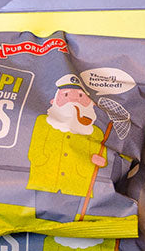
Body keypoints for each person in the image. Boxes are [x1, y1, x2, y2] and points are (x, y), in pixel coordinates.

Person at [27, 75, 107, 216]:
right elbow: (35, 148)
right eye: (66, 95)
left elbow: (101, 157)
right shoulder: (43, 122)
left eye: (80, 96)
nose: (74, 100)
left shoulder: (96, 133)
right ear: (54, 100)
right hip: (45, 180)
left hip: (77, 184)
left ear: (90, 103)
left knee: (69, 219)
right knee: (40, 216)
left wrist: (99, 160)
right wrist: (40, 159)